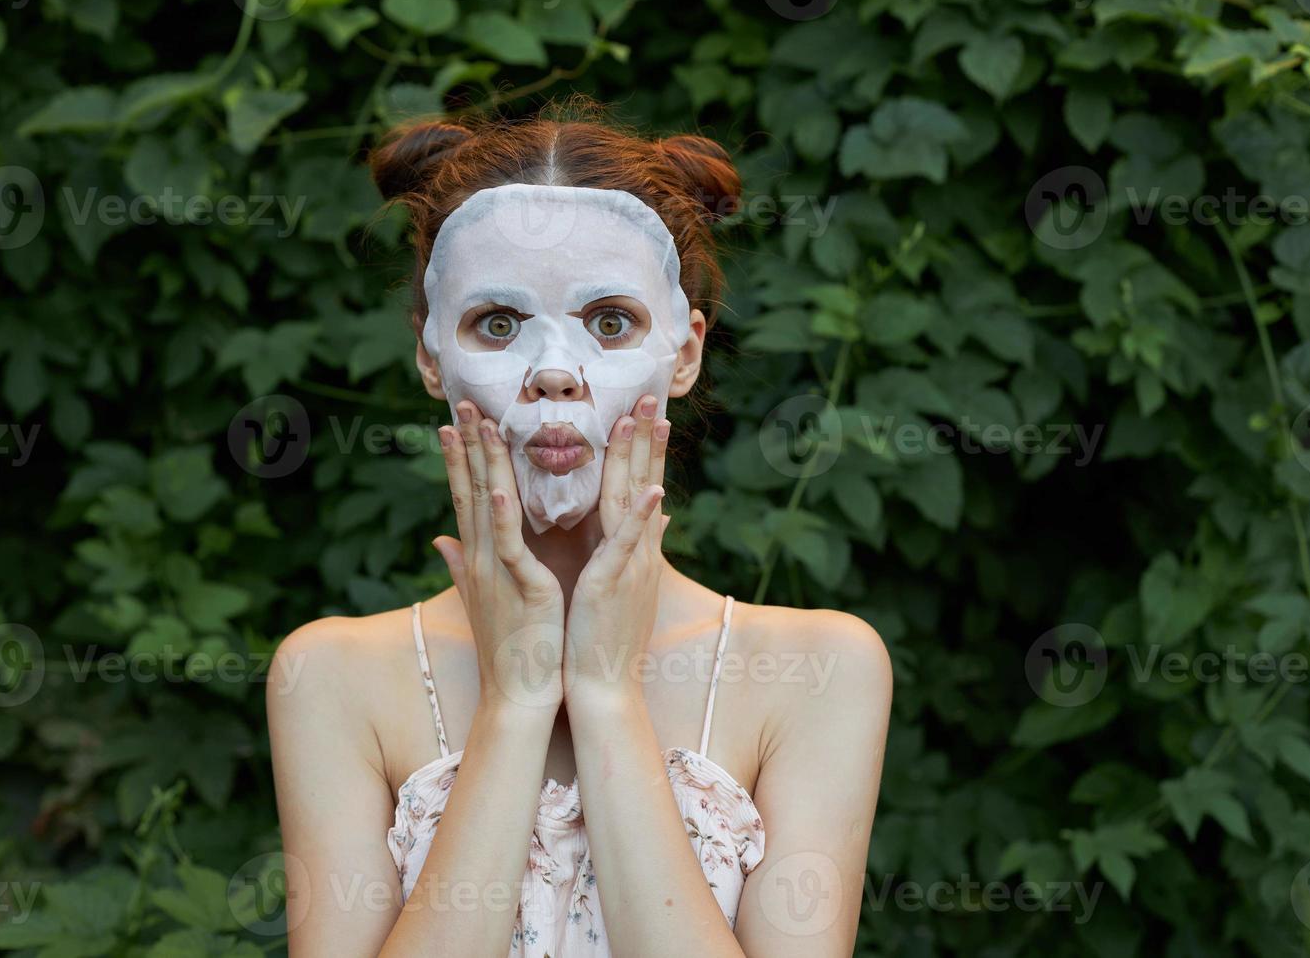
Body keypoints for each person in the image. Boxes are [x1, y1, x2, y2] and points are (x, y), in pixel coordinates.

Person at [267, 101, 893, 958]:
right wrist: (518, 702)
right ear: (428, 353)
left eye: (609, 323)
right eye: (497, 323)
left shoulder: (821, 671)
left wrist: (604, 696)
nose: (553, 374)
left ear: (684, 351)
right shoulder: (332, 677)